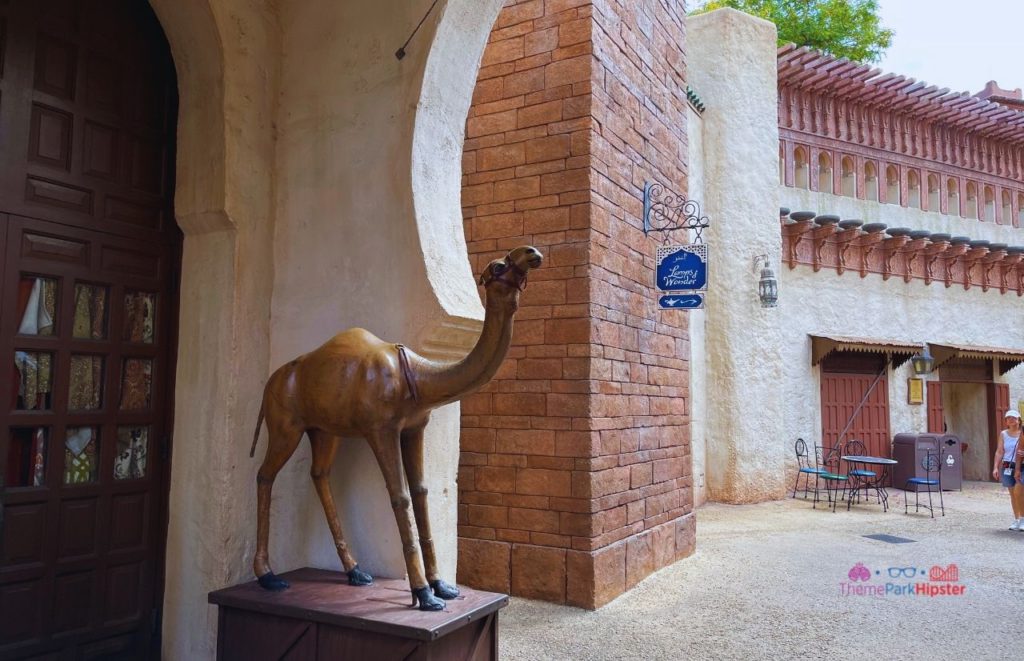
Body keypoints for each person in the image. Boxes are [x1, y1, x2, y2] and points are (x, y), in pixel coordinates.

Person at [992, 410, 1024, 530]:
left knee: (1018, 491)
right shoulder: (1003, 434)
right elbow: (1000, 451)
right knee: (1013, 495)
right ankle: (1016, 519)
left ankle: (1023, 519)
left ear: (1019, 420)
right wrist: (995, 466)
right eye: (1008, 418)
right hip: (1007, 465)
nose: (1011, 420)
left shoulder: (1023, 433)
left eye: (1014, 418)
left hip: (1021, 465)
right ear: (1006, 421)